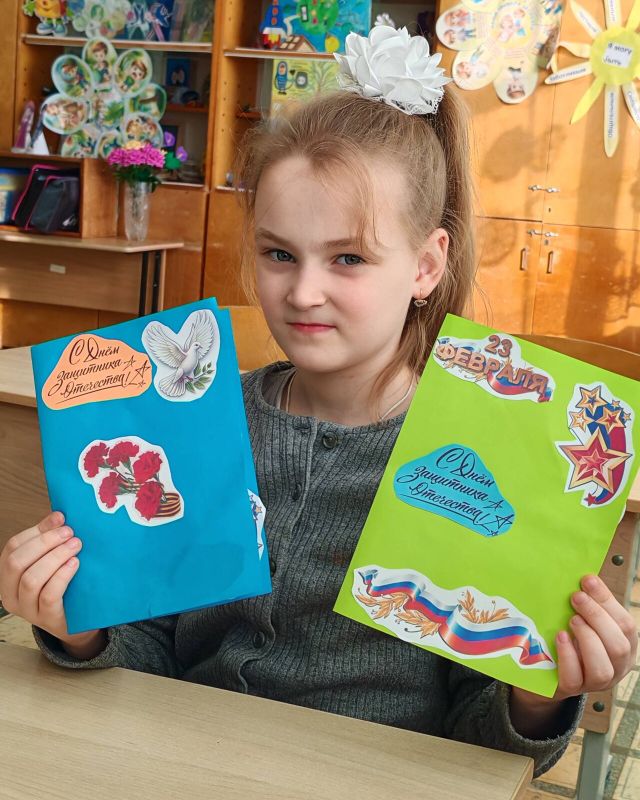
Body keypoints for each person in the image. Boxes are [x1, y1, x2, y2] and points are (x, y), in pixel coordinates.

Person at [0, 26, 636, 779]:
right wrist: (79, 626)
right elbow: (155, 651)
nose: (303, 292)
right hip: (183, 768)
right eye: (279, 253)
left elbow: (481, 745)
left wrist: (538, 695)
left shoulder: (485, 456)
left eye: (349, 258)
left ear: (426, 264)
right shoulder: (205, 422)